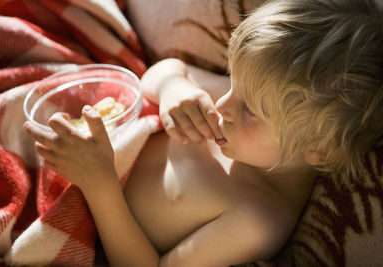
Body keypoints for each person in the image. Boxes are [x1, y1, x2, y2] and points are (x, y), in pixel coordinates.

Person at [24, 0, 383, 265]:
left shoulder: (256, 219)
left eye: (249, 110)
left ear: (319, 151)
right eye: (231, 83)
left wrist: (99, 184)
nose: (222, 103)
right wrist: (173, 88)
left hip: (86, 196)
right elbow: (162, 72)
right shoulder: (248, 100)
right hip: (85, 142)